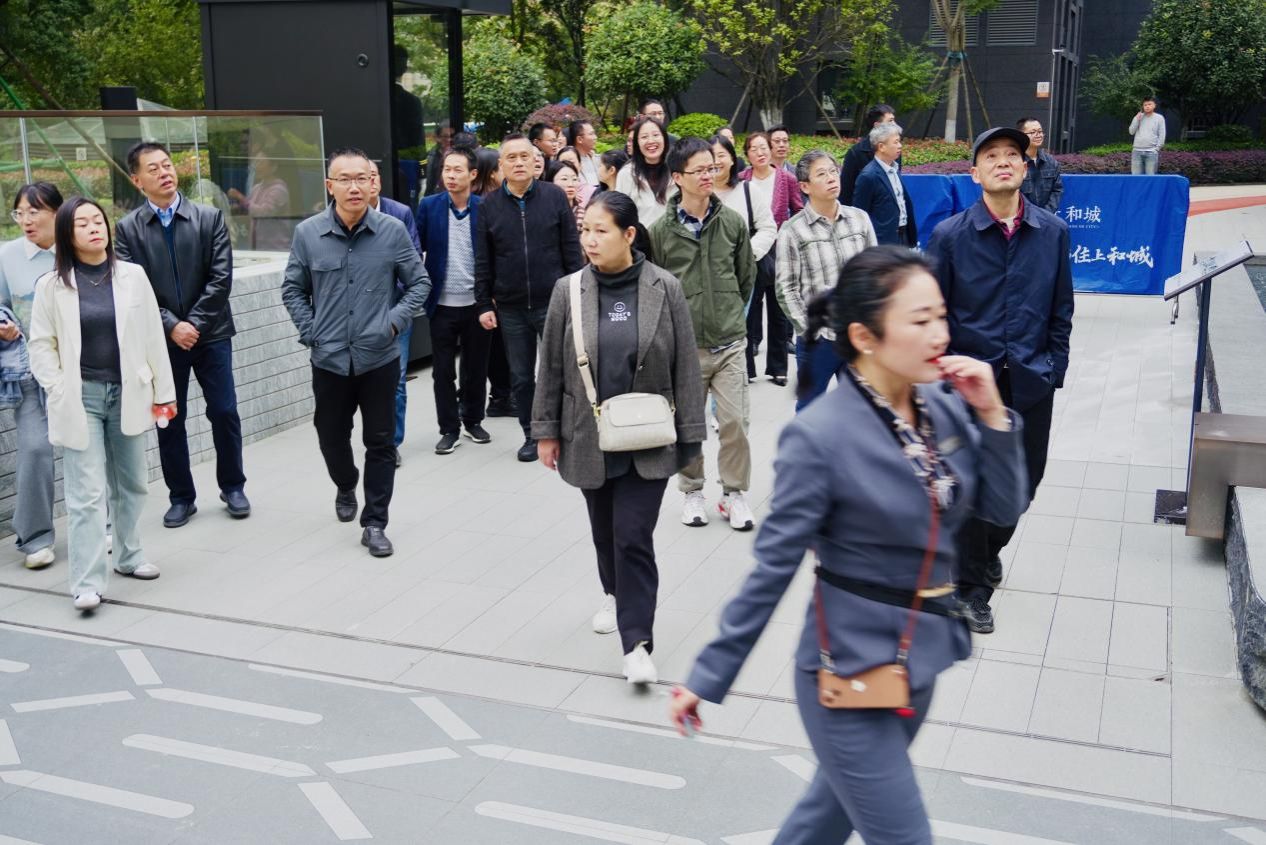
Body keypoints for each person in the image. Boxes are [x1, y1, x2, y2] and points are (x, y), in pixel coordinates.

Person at [669, 246, 1026, 845]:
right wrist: (708, 674)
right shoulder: (820, 435)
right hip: (848, 675)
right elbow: (772, 569)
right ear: (864, 336)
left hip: (918, 661)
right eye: (920, 320)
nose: (940, 334)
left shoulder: (942, 405)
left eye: (941, 316)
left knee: (822, 822)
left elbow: (1000, 509)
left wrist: (992, 414)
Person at [533, 192, 706, 684]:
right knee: (604, 533)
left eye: (601, 230)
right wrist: (545, 430)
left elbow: (685, 365)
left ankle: (637, 644)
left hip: (649, 435)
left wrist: (691, 437)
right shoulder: (568, 291)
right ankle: (614, 592)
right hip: (588, 434)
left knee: (632, 537)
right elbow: (552, 366)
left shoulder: (664, 287)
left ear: (629, 235)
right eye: (585, 230)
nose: (589, 239)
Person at [926, 126, 1074, 634]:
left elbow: (1061, 308)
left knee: (1023, 484)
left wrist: (1054, 369)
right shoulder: (950, 236)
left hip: (1030, 380)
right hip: (968, 385)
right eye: (991, 156)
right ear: (975, 173)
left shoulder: (1052, 232)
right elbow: (932, 314)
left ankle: (987, 551)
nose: (1004, 161)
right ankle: (971, 587)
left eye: (1013, 154)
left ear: (1026, 168)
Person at [28, 197, 178, 612]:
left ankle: (129, 555)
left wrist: (164, 393)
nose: (95, 227)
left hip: (129, 392)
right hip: (81, 398)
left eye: (98, 220)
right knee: (87, 494)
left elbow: (152, 337)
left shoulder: (132, 276)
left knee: (133, 484)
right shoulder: (51, 285)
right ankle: (87, 582)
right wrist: (58, 387)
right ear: (67, 234)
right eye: (83, 223)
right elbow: (40, 345)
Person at [281, 147, 431, 558]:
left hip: (379, 357)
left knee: (380, 443)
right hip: (328, 358)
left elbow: (419, 283)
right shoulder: (308, 233)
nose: (354, 187)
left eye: (361, 178)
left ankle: (375, 522)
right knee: (331, 436)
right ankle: (345, 483)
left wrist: (393, 322)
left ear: (372, 183)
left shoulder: (392, 231)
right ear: (330, 186)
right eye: (345, 179)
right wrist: (311, 330)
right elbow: (292, 288)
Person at [115, 141, 248, 529]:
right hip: (161, 340)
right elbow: (131, 290)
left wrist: (194, 324)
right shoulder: (127, 230)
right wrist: (171, 325)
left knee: (224, 411)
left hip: (212, 334)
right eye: (153, 169)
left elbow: (221, 278)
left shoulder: (209, 218)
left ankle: (233, 486)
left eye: (167, 165)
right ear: (138, 181)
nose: (164, 173)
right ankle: (181, 497)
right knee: (170, 418)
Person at [648, 137, 757, 531]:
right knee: (688, 426)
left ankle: (733, 493)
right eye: (699, 170)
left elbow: (746, 277)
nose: (709, 175)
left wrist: (728, 311)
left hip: (729, 341)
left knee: (735, 423)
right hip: (685, 346)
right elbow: (654, 288)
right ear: (678, 177)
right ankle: (692, 491)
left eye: (712, 167)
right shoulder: (660, 231)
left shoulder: (732, 222)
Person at [474, 133, 584, 462]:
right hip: (511, 306)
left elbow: (571, 249)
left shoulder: (554, 196)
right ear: (500, 165)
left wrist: (579, 292)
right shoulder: (488, 206)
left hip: (555, 300)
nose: (519, 163)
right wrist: (483, 303)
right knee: (521, 377)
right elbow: (482, 258)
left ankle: (567, 429)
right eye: (511, 158)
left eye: (525, 156)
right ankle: (531, 434)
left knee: (562, 370)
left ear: (537, 161)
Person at [775, 151, 878, 411]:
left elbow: (875, 273)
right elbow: (786, 288)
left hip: (857, 335)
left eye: (833, 171)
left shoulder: (859, 219)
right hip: (818, 342)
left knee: (865, 409)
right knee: (811, 412)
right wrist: (809, 329)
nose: (831, 178)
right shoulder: (792, 230)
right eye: (821, 174)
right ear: (805, 186)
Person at [0, 183, 61, 570]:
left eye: (34, 211)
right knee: (36, 449)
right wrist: (4, 324)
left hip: (80, 370)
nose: (26, 220)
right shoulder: (7, 255)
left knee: (90, 448)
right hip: (30, 372)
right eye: (19, 213)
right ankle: (35, 538)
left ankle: (106, 525)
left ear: (57, 212)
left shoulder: (75, 250)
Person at [417, 146, 492, 455]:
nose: (450, 175)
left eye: (457, 170)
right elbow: (416, 249)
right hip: (441, 304)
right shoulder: (429, 206)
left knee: (475, 368)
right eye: (446, 169)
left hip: (477, 305)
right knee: (442, 371)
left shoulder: (485, 207)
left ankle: (473, 420)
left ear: (473, 174)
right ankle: (449, 428)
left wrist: (491, 298)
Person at [709, 134, 780, 384]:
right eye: (711, 156)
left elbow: (768, 227)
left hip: (741, 275)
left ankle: (734, 383)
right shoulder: (698, 193)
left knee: (737, 331)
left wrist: (747, 254)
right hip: (706, 276)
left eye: (721, 155)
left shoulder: (748, 190)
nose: (716, 161)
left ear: (732, 159)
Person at [367, 160, 423, 467]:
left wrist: (395, 300)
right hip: (359, 315)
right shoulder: (339, 217)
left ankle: (391, 442)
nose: (370, 181)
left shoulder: (399, 213)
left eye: (373, 175)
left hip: (395, 309)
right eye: (364, 176)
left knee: (397, 379)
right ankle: (375, 436)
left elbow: (413, 261)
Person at [852, 122, 918, 247]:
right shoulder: (868, 176)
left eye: (899, 142)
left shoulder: (894, 169)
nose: (900, 146)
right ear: (881, 146)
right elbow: (860, 214)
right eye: (896, 142)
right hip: (882, 242)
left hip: (902, 237)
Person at [615, 116, 675, 228]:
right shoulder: (627, 174)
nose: (651, 141)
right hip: (641, 238)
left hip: (673, 238)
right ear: (637, 142)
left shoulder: (676, 170)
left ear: (664, 138)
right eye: (644, 137)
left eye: (656, 135)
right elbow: (620, 213)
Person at [740, 131, 803, 228]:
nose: (760, 153)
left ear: (770, 150)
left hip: (778, 234)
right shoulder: (740, 179)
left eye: (763, 148)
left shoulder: (788, 178)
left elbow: (798, 212)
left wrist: (788, 231)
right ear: (747, 156)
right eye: (754, 150)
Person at [841, 104, 897, 205]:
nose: (895, 125)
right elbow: (846, 192)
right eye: (890, 121)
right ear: (877, 125)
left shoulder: (895, 150)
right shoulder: (855, 153)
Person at [1017, 117, 1064, 213]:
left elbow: (1057, 190)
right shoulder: (1015, 162)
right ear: (1021, 136)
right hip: (1021, 217)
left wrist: (1045, 214)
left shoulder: (1051, 162)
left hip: (1046, 217)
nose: (1038, 135)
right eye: (1033, 132)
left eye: (1040, 131)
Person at [1129, 97, 1166, 175]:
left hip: (1152, 151)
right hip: (1137, 151)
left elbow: (1162, 134)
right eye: (1145, 105)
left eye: (1149, 104)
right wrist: (1136, 119)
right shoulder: (1138, 117)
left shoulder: (1159, 118)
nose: (1147, 106)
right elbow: (1131, 132)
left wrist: (1157, 148)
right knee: (1136, 176)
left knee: (1151, 176)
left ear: (1154, 105)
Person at [549, 159, 585, 232]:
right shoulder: (543, 212)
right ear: (551, 182)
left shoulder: (584, 215)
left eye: (574, 179)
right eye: (564, 179)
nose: (570, 184)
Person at [423, 124, 455, 197]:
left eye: (452, 136)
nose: (449, 139)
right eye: (446, 136)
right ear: (437, 138)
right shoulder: (431, 157)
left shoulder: (460, 156)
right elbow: (429, 184)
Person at [567, 119, 602, 185]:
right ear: (579, 139)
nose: (595, 137)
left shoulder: (596, 158)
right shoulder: (570, 162)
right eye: (591, 134)